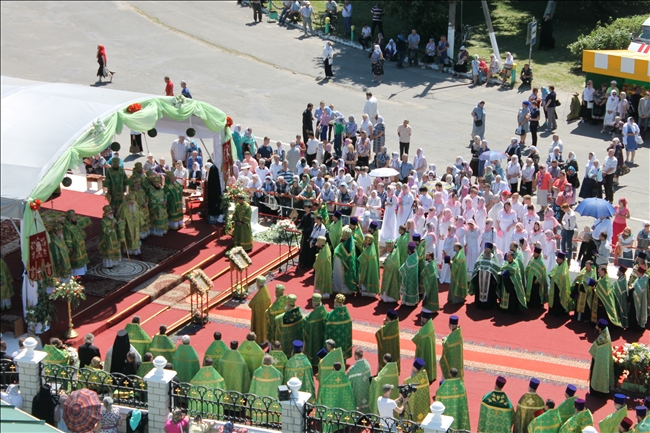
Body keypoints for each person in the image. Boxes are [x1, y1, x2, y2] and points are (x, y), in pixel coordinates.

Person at [248, 355, 283, 424]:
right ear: (271, 362)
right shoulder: (277, 373)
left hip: (260, 400)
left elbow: (252, 387)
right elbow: (281, 381)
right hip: (272, 398)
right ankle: (272, 419)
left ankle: (259, 419)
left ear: (263, 361)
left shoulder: (257, 372)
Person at [471, 243, 502, 310]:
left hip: (490, 282)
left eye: (488, 250)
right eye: (486, 250)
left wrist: (494, 279)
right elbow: (476, 267)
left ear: (491, 250)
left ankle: (488, 305)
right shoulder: (480, 259)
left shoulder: (494, 260)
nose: (487, 251)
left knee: (489, 293)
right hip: (480, 280)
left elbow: (497, 269)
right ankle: (479, 304)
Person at [588, 318, 614, 397]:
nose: (596, 327)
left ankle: (595, 392)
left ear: (600, 328)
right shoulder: (607, 334)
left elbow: (593, 349)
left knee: (597, 374)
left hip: (598, 360)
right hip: (604, 360)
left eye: (597, 326)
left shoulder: (601, 339)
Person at [323, 294, 352, 360]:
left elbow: (326, 322)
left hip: (334, 339)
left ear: (335, 303)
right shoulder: (346, 314)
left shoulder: (332, 315)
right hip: (343, 340)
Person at [303, 293, 328, 366]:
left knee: (313, 347)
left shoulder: (312, 318)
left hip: (314, 337)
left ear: (313, 303)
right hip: (322, 336)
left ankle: (313, 361)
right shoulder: (324, 311)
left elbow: (306, 327)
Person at [413, 313, 436, 383]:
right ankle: (430, 375)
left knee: (423, 359)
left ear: (425, 319)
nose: (421, 319)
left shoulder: (423, 331)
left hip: (424, 350)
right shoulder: (430, 325)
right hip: (429, 350)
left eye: (422, 318)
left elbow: (416, 339)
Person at [248, 276, 271, 345]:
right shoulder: (266, 291)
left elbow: (251, 304)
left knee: (259, 327)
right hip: (265, 315)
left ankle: (260, 340)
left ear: (258, 284)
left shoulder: (258, 298)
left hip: (259, 316)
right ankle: (265, 338)